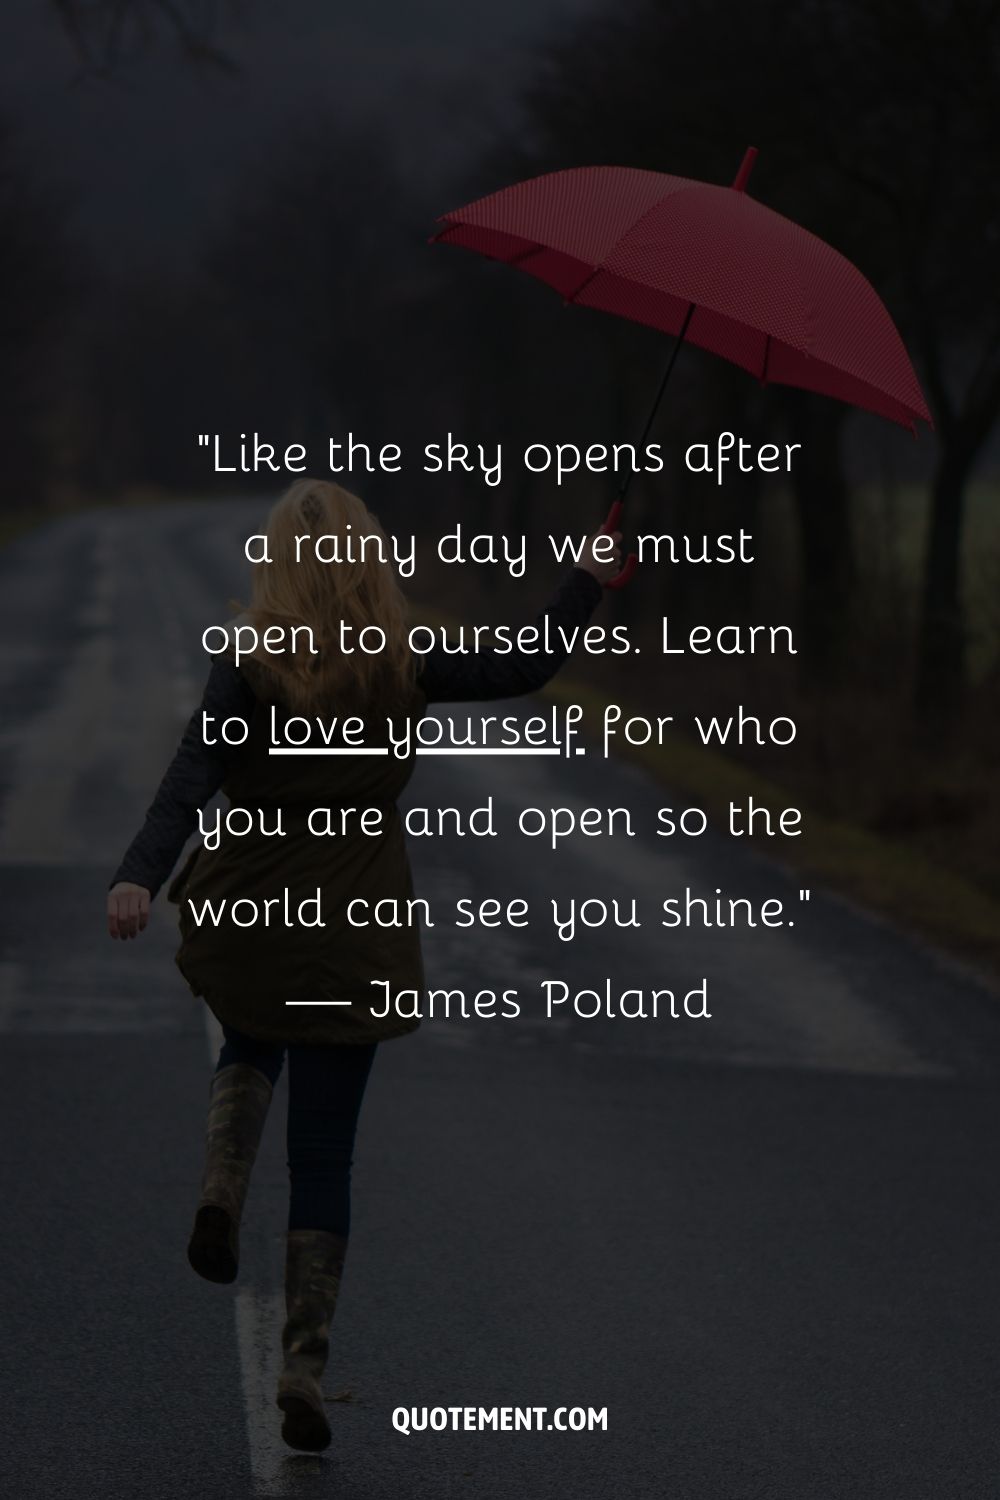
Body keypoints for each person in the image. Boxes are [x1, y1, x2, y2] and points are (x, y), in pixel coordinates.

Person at [107, 478, 621, 1452]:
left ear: (278, 569)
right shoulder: (403, 663)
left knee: (252, 1031)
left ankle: (221, 1178)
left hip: (254, 915)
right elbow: (525, 666)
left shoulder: (247, 666)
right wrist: (583, 582)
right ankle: (303, 1361)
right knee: (325, 1156)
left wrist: (138, 876)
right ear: (370, 566)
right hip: (353, 932)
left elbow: (187, 784)